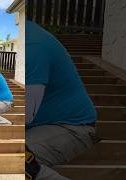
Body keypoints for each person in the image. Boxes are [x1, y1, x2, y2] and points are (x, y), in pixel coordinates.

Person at [25, 20, 98, 180]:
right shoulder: (24, 38)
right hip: (40, 124)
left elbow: (26, 115)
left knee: (12, 158)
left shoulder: (32, 45)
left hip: (71, 128)